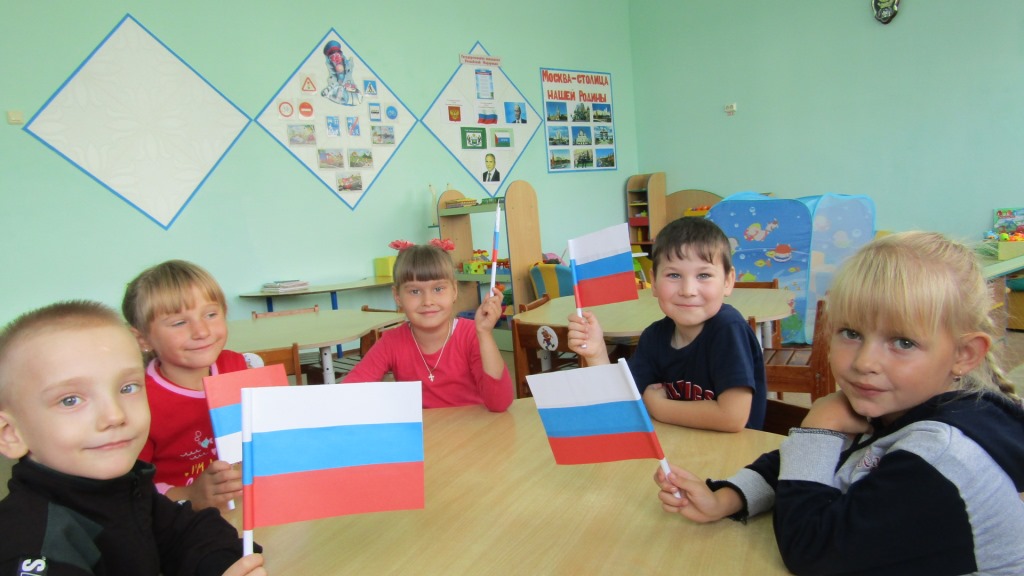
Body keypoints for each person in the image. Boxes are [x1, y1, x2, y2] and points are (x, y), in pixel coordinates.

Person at [654, 232, 1024, 575]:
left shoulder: (941, 457)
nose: (865, 362)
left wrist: (819, 430)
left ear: (963, 354)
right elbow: (792, 464)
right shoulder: (900, 403)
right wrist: (726, 498)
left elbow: (811, 550)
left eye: (903, 343)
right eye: (851, 333)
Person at [0, 300, 265, 575]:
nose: (115, 415)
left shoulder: (128, 485)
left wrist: (226, 565)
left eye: (128, 387)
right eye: (70, 400)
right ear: (10, 434)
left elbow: (190, 533)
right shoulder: (29, 545)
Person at [568, 216, 766, 431]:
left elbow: (732, 418)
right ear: (653, 282)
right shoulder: (654, 336)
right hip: (678, 445)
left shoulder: (728, 329)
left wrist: (658, 407)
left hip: (732, 450)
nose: (688, 290)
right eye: (673, 275)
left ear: (727, 281)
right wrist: (597, 354)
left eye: (703, 275)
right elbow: (622, 403)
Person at [122, 260, 245, 512]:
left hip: (246, 508)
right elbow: (129, 488)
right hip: (179, 519)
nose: (201, 331)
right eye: (179, 323)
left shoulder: (236, 365)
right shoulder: (138, 402)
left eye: (211, 315)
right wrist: (190, 495)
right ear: (142, 338)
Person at [343, 242, 513, 412]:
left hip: (473, 427)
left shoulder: (471, 334)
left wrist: (484, 333)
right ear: (397, 296)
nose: (428, 301)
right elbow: (349, 393)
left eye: (438, 289)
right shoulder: (391, 342)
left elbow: (499, 403)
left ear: (454, 291)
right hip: (424, 429)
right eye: (415, 291)